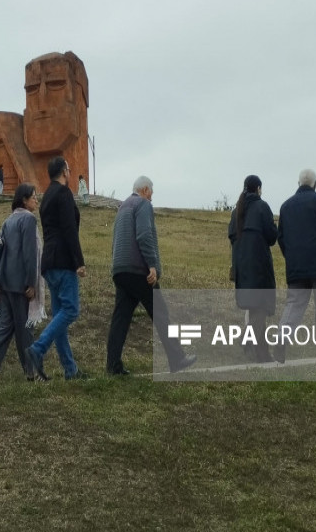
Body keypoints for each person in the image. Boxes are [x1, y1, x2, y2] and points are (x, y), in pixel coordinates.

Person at [106, 176, 197, 375]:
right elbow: (144, 234)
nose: (152, 196)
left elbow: (116, 238)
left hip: (120, 270)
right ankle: (177, 359)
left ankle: (113, 365)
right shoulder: (143, 205)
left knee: (120, 319)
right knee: (161, 314)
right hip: (139, 271)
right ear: (145, 189)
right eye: (152, 192)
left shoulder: (122, 208)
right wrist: (152, 266)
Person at [0, 183, 43, 387]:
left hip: (4, 281)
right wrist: (31, 283)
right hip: (21, 283)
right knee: (25, 328)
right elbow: (29, 253)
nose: (36, 200)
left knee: (4, 325)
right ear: (24, 199)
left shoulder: (8, 220)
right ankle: (32, 372)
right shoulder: (29, 219)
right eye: (33, 197)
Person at [26, 156, 87, 381]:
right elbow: (69, 228)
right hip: (63, 261)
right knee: (70, 311)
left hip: (49, 263)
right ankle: (38, 349)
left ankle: (70, 370)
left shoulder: (47, 196)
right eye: (69, 170)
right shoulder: (63, 194)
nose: (70, 173)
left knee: (60, 314)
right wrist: (78, 261)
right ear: (63, 172)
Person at [275, 169, 316, 363]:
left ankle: (281, 337)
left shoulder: (285, 206)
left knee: (294, 305)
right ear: (315, 183)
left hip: (296, 265)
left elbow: (281, 237)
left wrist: (291, 257)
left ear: (298, 183)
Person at [229, 174, 278, 363]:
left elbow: (232, 238)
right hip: (259, 266)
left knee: (254, 307)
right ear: (258, 188)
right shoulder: (262, 207)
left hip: (242, 267)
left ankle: (246, 342)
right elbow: (272, 237)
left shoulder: (236, 211)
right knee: (259, 310)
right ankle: (262, 354)